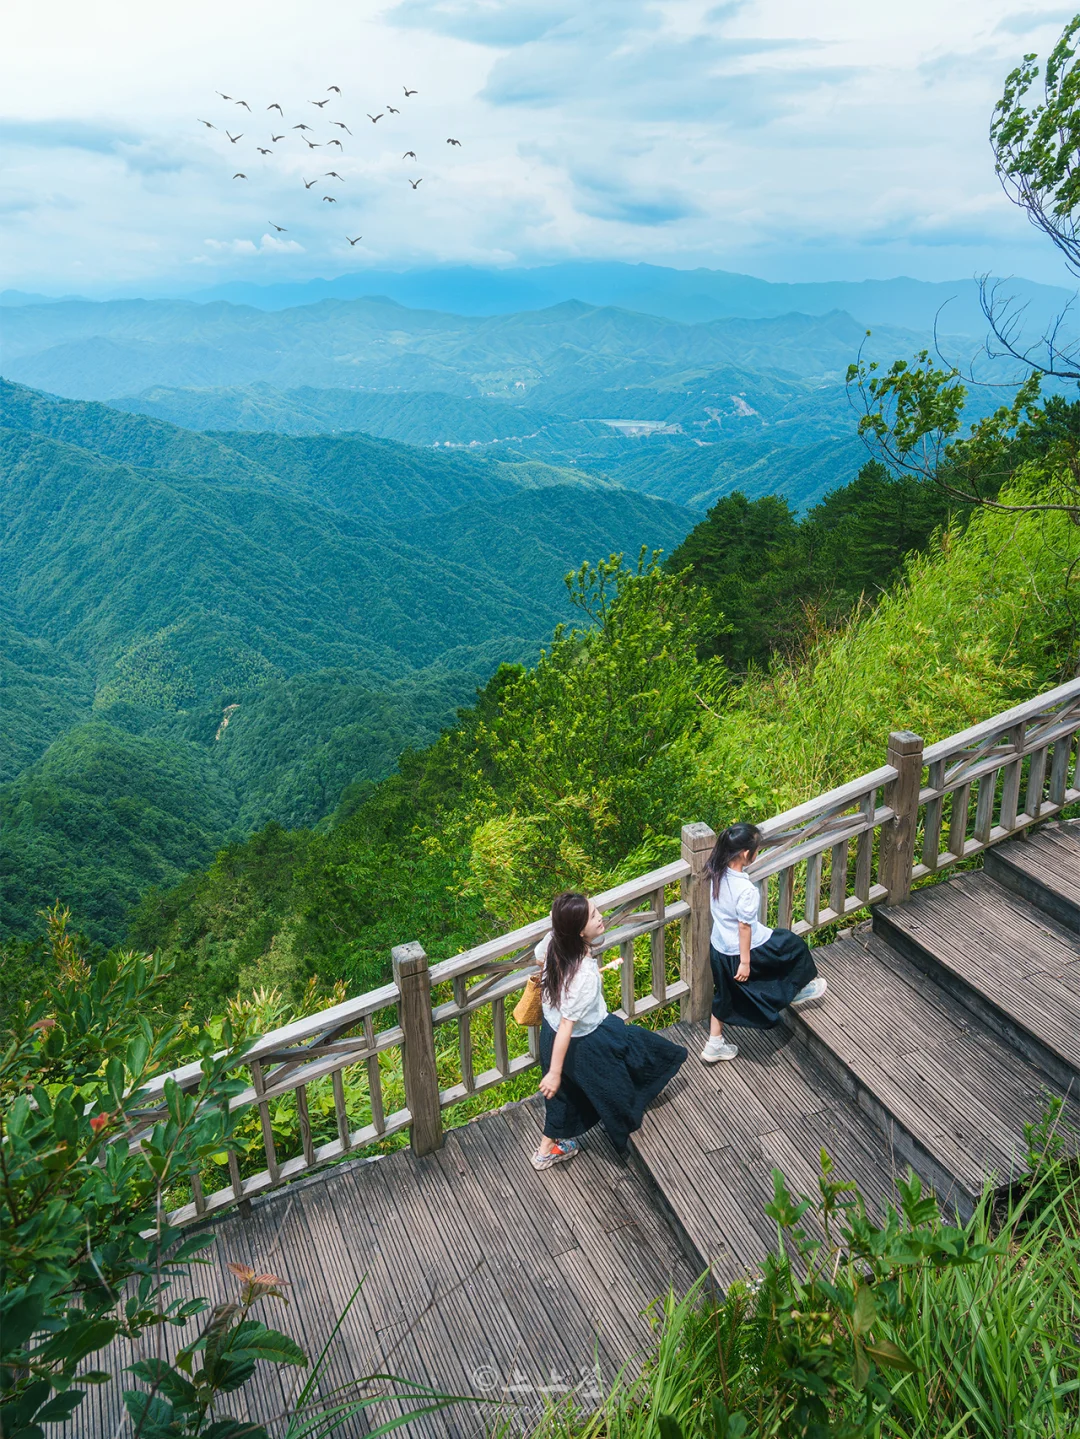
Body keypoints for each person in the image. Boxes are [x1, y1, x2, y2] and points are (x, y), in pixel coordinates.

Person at [531, 891, 688, 1170]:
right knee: (626, 1063)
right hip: (584, 1038)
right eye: (593, 916)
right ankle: (619, 1118)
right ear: (579, 931)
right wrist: (555, 1072)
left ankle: (546, 1149)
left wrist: (557, 1072)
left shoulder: (554, 942)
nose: (600, 917)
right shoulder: (584, 973)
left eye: (596, 910)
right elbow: (569, 1024)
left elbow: (539, 960)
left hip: (550, 1034)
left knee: (563, 1094)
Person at [700, 822, 827, 1064]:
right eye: (756, 850)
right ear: (747, 854)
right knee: (793, 947)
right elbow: (744, 927)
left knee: (724, 993)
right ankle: (799, 990)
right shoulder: (746, 889)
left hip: (719, 947)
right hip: (742, 949)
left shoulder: (715, 873)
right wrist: (745, 962)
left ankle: (714, 1044)